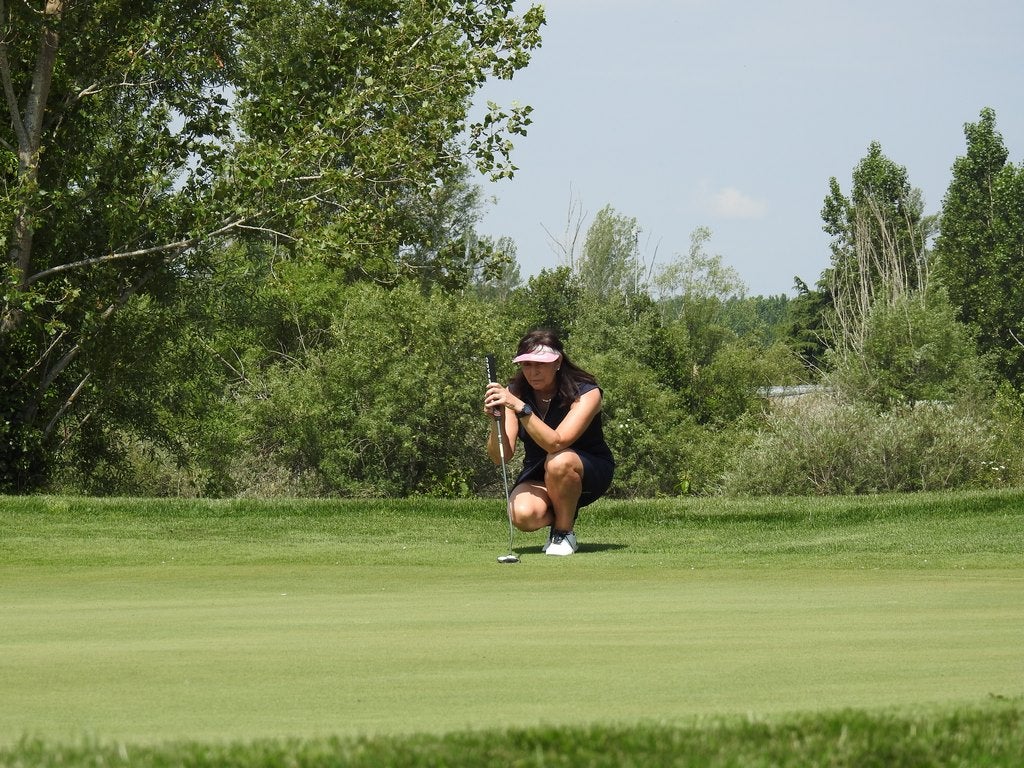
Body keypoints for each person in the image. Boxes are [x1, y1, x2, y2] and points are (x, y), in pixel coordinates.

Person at [483, 329, 615, 556]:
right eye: (526, 365)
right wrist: (498, 419)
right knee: (522, 515)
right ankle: (564, 506)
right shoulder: (514, 392)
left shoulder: (586, 392)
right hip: (538, 470)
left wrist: (522, 409)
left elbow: (556, 443)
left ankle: (563, 533)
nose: (533, 372)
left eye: (540, 365)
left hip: (587, 468)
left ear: (558, 362)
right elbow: (500, 456)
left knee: (559, 460)